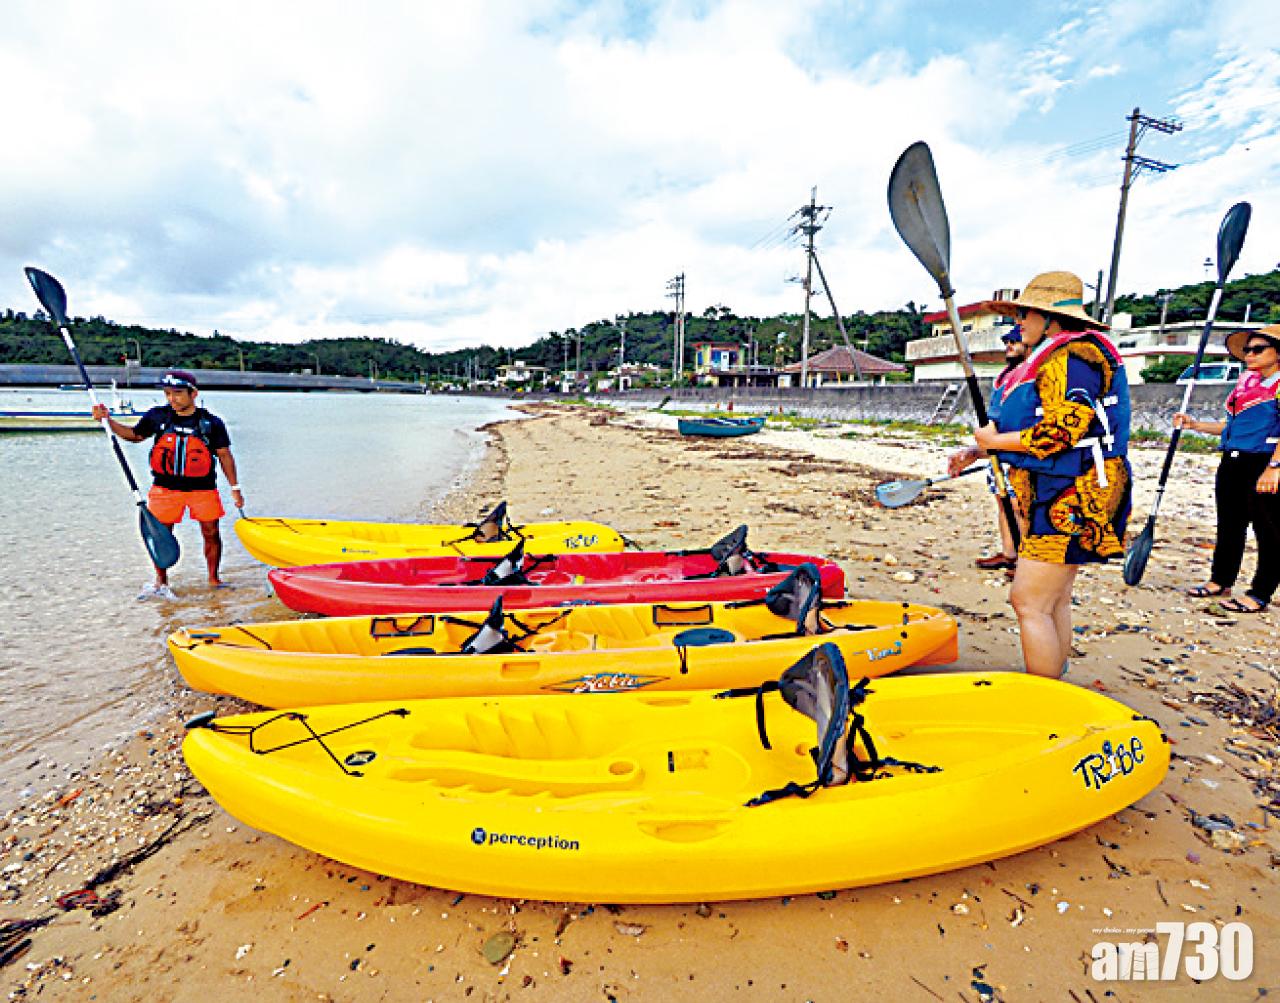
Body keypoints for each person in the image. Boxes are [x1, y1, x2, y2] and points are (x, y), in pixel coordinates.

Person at [968, 272, 1132, 678]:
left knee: (1029, 602)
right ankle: (1056, 682)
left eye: (1024, 313)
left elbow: (1063, 430)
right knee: (1053, 599)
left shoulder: (1072, 357)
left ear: (1049, 318)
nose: (1019, 322)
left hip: (1072, 491)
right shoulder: (1055, 354)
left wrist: (995, 443)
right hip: (1059, 484)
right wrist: (979, 448)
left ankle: (1045, 698)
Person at [92, 370, 243, 599]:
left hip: (202, 489)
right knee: (161, 535)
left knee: (211, 533)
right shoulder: (158, 416)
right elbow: (134, 435)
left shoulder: (211, 423)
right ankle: (160, 582)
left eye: (178, 393)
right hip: (165, 489)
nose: (172, 399)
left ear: (194, 394)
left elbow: (224, 455)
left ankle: (214, 579)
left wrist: (235, 488)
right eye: (168, 393)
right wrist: (108, 421)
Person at [1174, 325, 1280, 613]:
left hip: (1264, 462)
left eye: (1258, 349)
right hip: (1234, 459)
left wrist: (1274, 467)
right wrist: (1195, 425)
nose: (1250, 354)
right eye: (1248, 349)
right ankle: (1221, 580)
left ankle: (1260, 592)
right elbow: (1231, 427)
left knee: (1268, 530)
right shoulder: (1247, 385)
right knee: (1230, 524)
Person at [949, 325, 1028, 571]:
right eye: (1007, 342)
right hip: (1001, 451)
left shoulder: (1034, 377)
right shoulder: (1004, 378)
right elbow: (995, 420)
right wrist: (977, 450)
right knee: (1002, 501)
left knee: (1020, 506)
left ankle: (1026, 561)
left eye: (1015, 342)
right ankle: (1009, 553)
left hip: (1021, 452)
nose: (1009, 346)